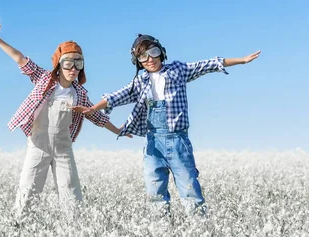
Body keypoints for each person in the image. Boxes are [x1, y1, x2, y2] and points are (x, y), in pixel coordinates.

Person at [75, 33, 260, 216]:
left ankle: (199, 227)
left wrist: (242, 60)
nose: (149, 59)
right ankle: (161, 227)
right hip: (153, 143)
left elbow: (208, 64)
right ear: (137, 61)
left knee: (190, 189)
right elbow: (116, 96)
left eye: (153, 52)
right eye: (142, 56)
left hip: (178, 140)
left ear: (161, 52)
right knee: (155, 191)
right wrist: (93, 109)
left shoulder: (178, 70)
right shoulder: (139, 82)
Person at [0, 16, 131, 217]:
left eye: (78, 63)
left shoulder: (80, 94)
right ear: (58, 64)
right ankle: (19, 225)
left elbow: (96, 117)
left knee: (71, 192)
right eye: (68, 63)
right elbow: (21, 59)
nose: (73, 69)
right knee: (28, 189)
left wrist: (118, 130)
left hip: (64, 147)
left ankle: (73, 227)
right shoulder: (44, 80)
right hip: (38, 143)